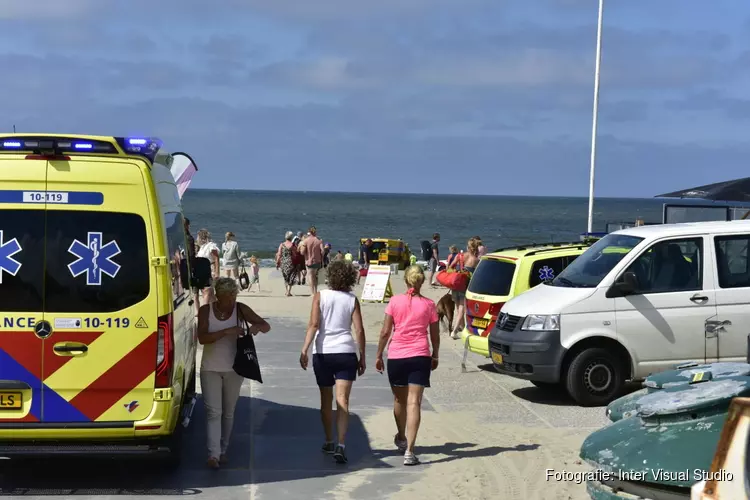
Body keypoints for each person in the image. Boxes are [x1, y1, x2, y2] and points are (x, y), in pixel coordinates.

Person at [197, 277, 271, 469]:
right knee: (214, 412)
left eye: (233, 296)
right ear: (218, 296)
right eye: (227, 298)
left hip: (235, 368)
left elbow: (265, 325)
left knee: (228, 412)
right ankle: (213, 454)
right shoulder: (206, 311)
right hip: (210, 368)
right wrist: (227, 331)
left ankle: (223, 449)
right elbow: (202, 338)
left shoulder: (240, 309)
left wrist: (256, 328)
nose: (230, 301)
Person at [300, 260, 366, 465]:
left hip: (324, 352)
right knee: (343, 401)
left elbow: (313, 324)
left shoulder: (321, 296)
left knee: (326, 400)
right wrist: (362, 355)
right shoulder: (352, 300)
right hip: (346, 353)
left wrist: (305, 349)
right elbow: (359, 330)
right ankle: (342, 444)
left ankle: (329, 440)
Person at [375, 265, 440, 466]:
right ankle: (410, 451)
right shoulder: (430, 304)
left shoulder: (394, 302)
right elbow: (435, 335)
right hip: (420, 355)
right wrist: (435, 355)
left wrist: (378, 354)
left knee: (399, 399)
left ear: (406, 281)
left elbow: (385, 332)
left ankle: (402, 437)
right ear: (421, 282)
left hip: (397, 356)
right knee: (414, 403)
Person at [450, 238, 480, 339]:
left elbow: (451, 266)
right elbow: (477, 275)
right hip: (465, 285)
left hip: (456, 283)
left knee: (458, 307)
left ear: (468, 247)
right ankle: (454, 331)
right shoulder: (476, 260)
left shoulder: (460, 255)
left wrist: (457, 270)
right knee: (461, 309)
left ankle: (462, 328)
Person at [196, 229, 221, 306]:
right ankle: (217, 310)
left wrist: (217, 272)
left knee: (207, 291)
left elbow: (216, 259)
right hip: (202, 272)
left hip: (209, 271)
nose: (197, 239)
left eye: (198, 237)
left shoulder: (211, 246)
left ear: (201, 237)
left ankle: (204, 312)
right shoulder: (202, 247)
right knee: (209, 294)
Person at [302, 226, 325, 296]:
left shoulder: (305, 241)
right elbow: (323, 251)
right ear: (315, 232)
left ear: (309, 232)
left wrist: (305, 253)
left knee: (310, 276)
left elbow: (302, 252)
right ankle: (315, 291)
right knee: (315, 276)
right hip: (317, 261)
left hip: (309, 261)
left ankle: (312, 293)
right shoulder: (318, 241)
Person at [184, 218, 200, 316]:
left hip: (179, 267)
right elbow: (191, 255)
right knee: (194, 291)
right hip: (188, 267)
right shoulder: (189, 238)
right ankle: (196, 309)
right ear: (187, 225)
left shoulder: (173, 236)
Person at [276, 231, 299, 297]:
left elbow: (279, 254)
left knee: (285, 277)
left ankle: (287, 291)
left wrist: (277, 263)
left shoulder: (282, 245)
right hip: (291, 262)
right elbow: (296, 254)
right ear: (291, 237)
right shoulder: (293, 245)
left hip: (283, 263)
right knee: (291, 277)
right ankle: (288, 292)